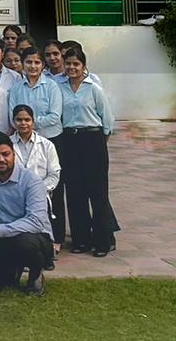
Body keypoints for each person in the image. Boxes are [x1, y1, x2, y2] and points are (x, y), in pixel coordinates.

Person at [0, 133, 52, 293]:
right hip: (0, 239)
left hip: (34, 237)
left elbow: (36, 222)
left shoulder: (31, 181)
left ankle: (35, 273)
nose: (0, 159)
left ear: (14, 154)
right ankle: (12, 270)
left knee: (25, 243)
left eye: (5, 154)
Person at [57, 47, 115, 255]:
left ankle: (102, 241)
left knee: (98, 193)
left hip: (93, 140)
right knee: (75, 193)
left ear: (83, 66)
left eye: (76, 64)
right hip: (69, 142)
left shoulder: (93, 88)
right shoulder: (59, 87)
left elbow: (107, 120)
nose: (72, 67)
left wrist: (99, 141)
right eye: (68, 63)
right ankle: (81, 240)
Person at [10, 104, 61, 263]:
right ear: (13, 121)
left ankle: (46, 255)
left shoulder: (47, 145)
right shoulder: (8, 144)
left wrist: (37, 190)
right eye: (19, 120)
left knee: (40, 226)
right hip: (13, 193)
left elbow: (54, 174)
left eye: (27, 119)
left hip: (40, 194)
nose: (23, 123)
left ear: (33, 121)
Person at [9, 47, 63, 141]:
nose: (33, 66)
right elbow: (12, 116)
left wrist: (29, 123)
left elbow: (55, 116)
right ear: (22, 63)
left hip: (51, 137)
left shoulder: (52, 86)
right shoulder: (16, 88)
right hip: (25, 139)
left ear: (43, 65)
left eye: (37, 62)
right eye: (29, 62)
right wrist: (27, 124)